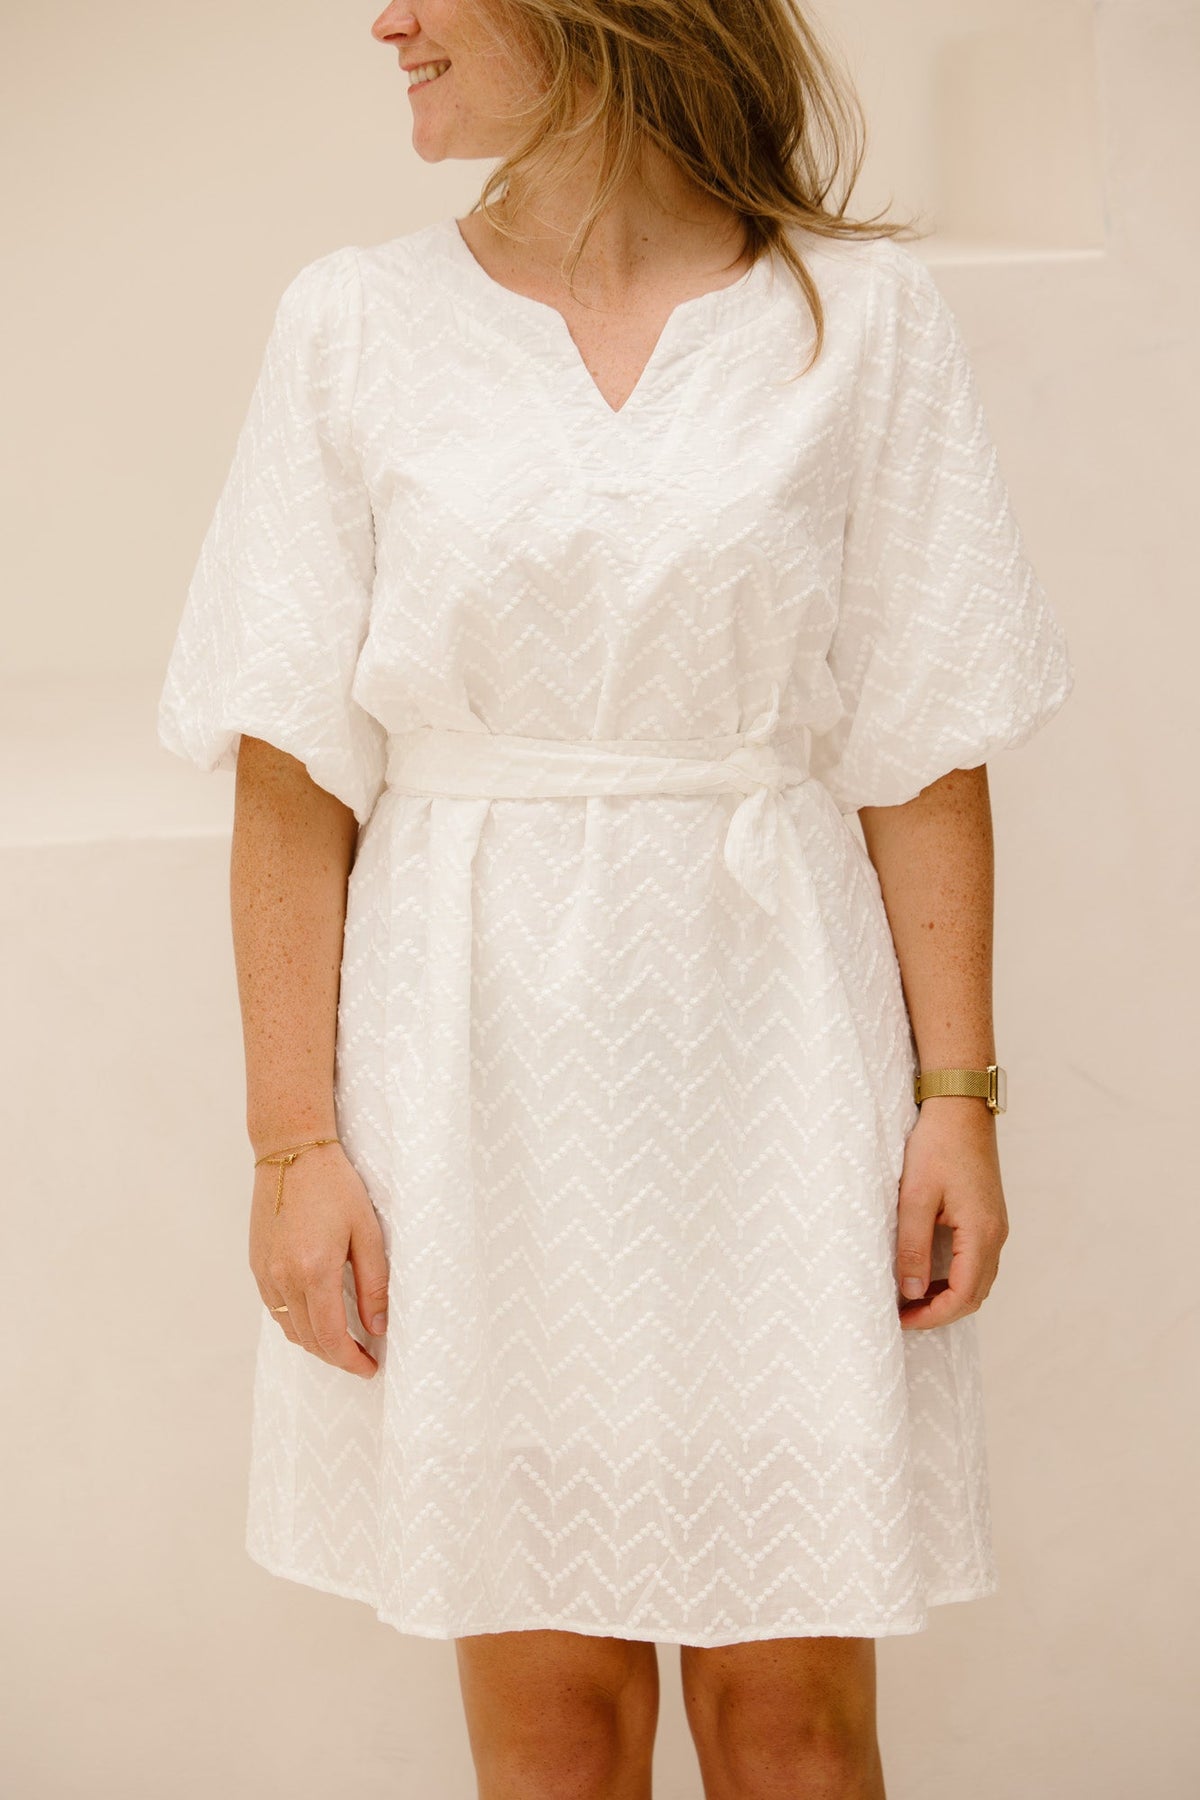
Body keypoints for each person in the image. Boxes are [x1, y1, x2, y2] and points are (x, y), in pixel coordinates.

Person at [156, 0, 1075, 1793]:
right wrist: (292, 1146)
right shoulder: (354, 323)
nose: (388, 20)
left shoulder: (857, 320)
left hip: (775, 1062)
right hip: (469, 1078)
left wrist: (959, 1101)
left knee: (792, 1721)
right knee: (555, 1729)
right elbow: (290, 766)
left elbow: (923, 740)